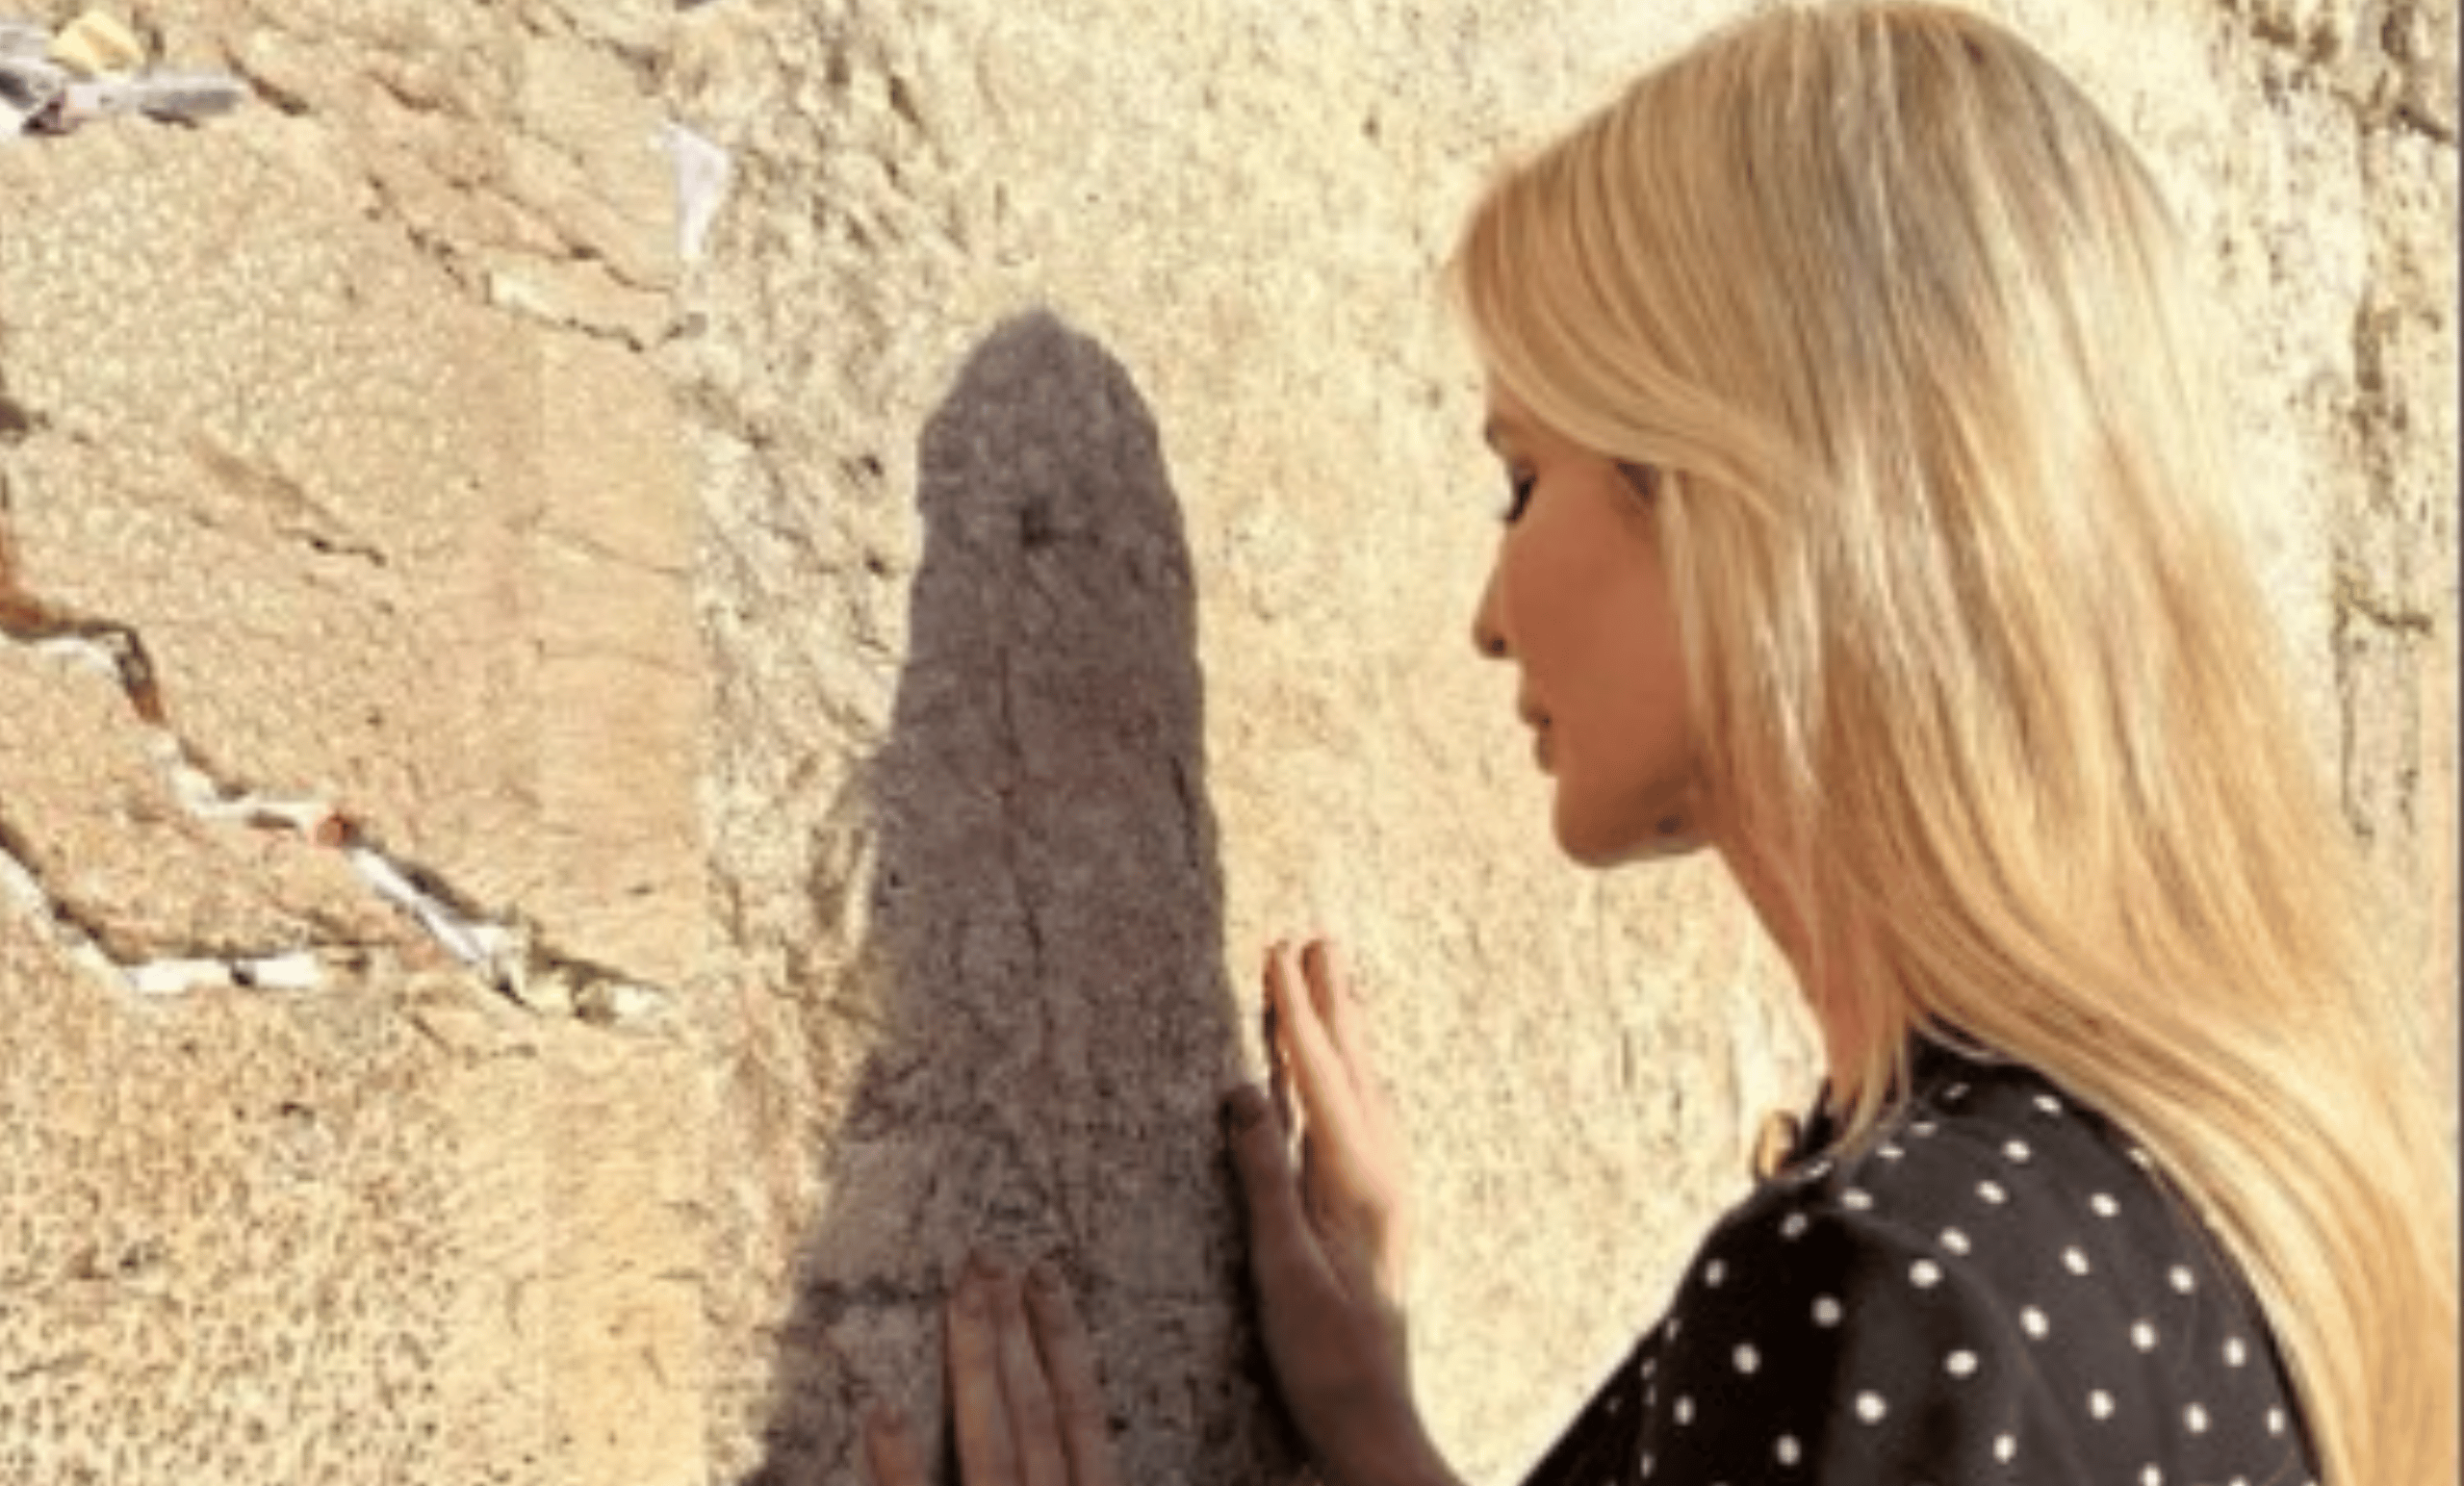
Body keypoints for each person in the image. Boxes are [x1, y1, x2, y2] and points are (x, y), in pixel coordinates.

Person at [863, 4, 2460, 1484]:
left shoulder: (1889, 1289)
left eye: (1523, 476)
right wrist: (1372, 1418)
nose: (1491, 616)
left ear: (1745, 506)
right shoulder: (2201, 1206)